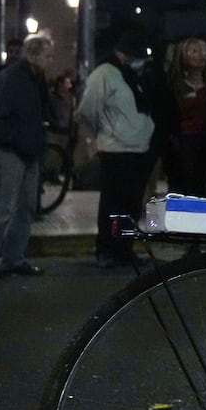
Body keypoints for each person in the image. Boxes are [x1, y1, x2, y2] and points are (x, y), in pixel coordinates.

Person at [0, 35, 55, 278]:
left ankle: (12, 258)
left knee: (27, 207)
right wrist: (16, 141)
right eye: (47, 56)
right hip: (10, 150)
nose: (51, 61)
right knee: (4, 207)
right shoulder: (11, 78)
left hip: (27, 150)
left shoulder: (34, 78)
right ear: (32, 55)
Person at [77, 29, 157, 268]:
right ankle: (107, 249)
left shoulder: (128, 75)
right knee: (113, 204)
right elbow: (87, 110)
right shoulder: (104, 74)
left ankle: (123, 248)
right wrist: (98, 135)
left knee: (130, 204)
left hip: (137, 149)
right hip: (115, 149)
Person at [156, 37, 206, 197]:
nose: (200, 55)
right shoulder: (174, 86)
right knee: (187, 186)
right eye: (194, 51)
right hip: (185, 144)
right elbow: (167, 117)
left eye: (203, 50)